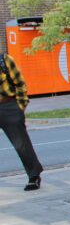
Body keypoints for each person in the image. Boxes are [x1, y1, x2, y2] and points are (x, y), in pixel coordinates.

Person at [0, 47, 43, 191]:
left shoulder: (4, 60)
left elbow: (20, 83)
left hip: (7, 106)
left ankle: (34, 175)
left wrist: (20, 107)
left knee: (21, 145)